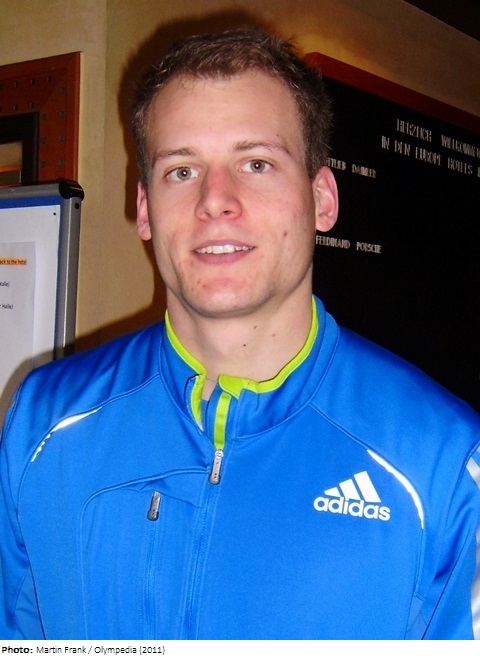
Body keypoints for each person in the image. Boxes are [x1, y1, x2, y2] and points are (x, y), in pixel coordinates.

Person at [1, 27, 479, 641]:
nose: (215, 200)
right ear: (144, 208)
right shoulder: (42, 422)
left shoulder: (441, 463)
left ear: (322, 199)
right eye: (182, 170)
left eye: (256, 164)